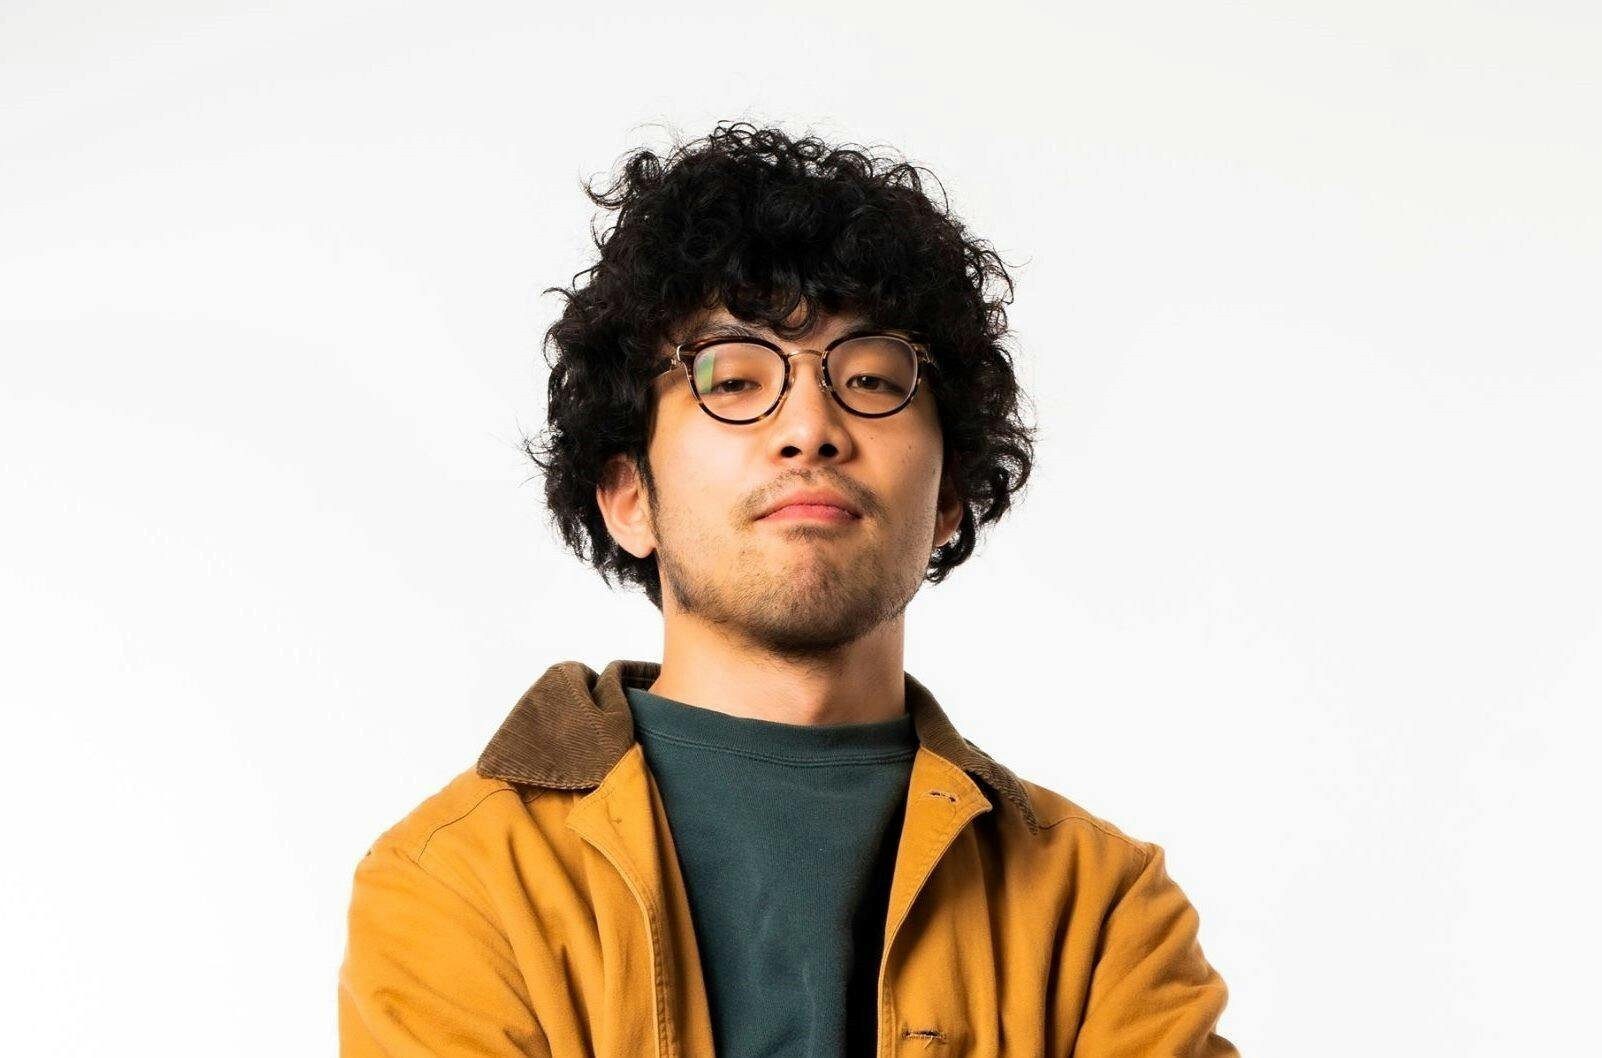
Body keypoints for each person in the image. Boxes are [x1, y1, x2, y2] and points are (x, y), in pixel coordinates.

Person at [338, 122, 1240, 1058]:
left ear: (947, 498)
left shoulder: (1101, 913)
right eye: (732, 380)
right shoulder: (460, 880)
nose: (810, 426)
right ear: (629, 497)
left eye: (872, 379)